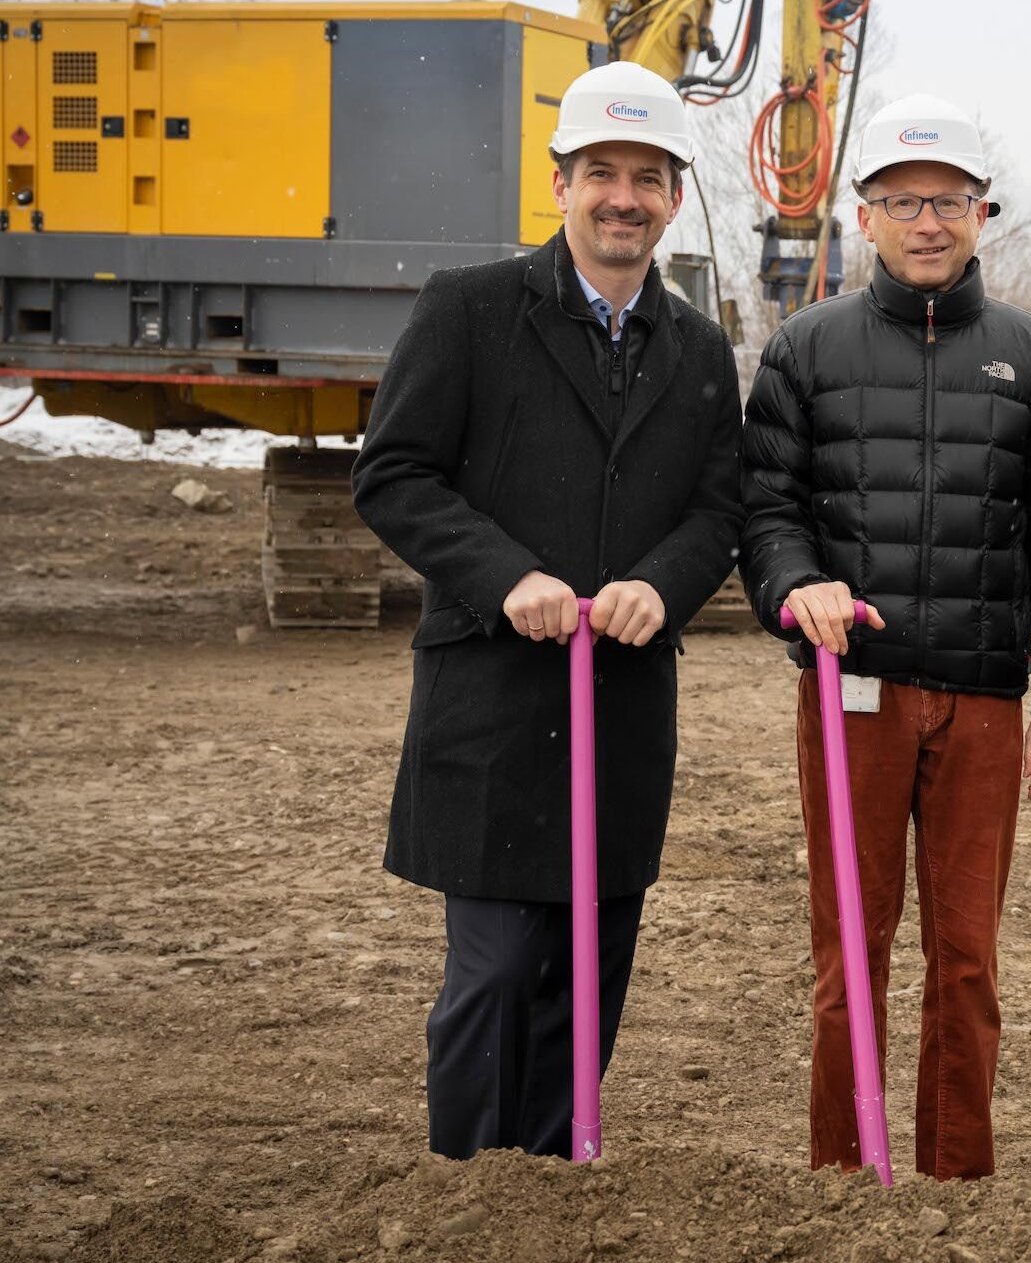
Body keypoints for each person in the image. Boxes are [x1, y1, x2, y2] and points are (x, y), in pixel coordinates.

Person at [350, 60, 746, 1159]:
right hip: (494, 697)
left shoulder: (699, 351)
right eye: (602, 173)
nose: (625, 197)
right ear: (560, 180)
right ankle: (469, 1180)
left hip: (620, 702)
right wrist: (503, 574)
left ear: (672, 195)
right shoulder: (469, 313)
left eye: (649, 177)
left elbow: (721, 505)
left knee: (589, 967)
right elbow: (395, 475)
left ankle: (554, 1172)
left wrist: (658, 586)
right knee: (492, 969)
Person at [738, 93, 1031, 1181]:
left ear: (982, 212)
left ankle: (955, 1181)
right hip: (855, 694)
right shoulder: (805, 350)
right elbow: (765, 512)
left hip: (987, 702)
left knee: (966, 960)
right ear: (866, 214)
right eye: (902, 200)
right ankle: (843, 1175)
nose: (926, 221)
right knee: (849, 951)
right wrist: (793, 587)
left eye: (946, 199)